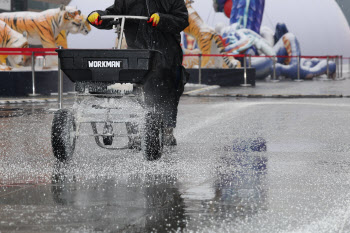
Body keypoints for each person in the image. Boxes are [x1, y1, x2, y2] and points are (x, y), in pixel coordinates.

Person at [87, 0, 189, 146]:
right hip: (138, 56)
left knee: (168, 94)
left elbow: (182, 20)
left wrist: (162, 19)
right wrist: (99, 17)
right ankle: (135, 134)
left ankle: (167, 131)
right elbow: (114, 15)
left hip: (167, 55)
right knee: (136, 94)